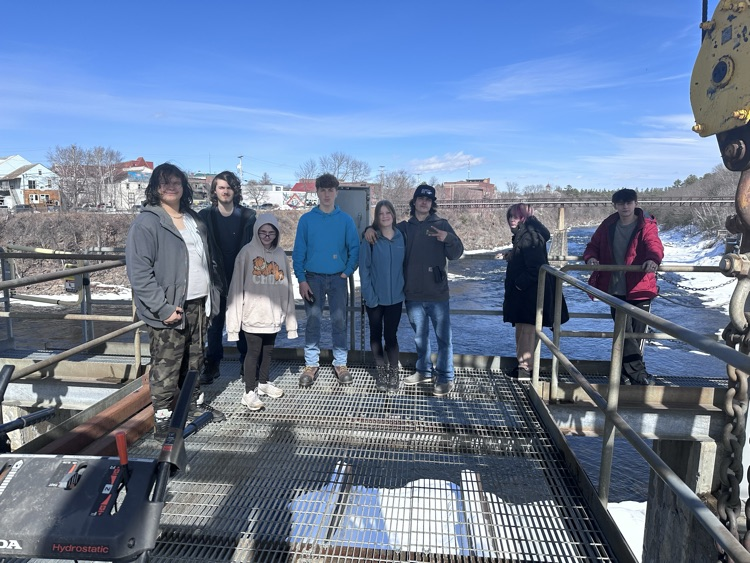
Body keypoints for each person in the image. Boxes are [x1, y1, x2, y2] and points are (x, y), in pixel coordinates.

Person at [126, 163, 225, 441]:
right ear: (155, 188)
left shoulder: (194, 219)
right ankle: (163, 417)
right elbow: (139, 272)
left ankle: (193, 404)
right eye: (164, 183)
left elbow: (208, 260)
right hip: (170, 306)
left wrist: (212, 294)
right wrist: (163, 307)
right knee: (166, 363)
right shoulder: (148, 223)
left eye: (176, 182)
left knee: (195, 359)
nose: (171, 187)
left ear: (184, 186)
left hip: (198, 302)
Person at [364, 184, 464, 397]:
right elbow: (383, 228)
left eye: (428, 199)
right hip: (412, 294)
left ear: (432, 203)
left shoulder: (441, 224)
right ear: (414, 201)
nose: (424, 202)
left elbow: (457, 253)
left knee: (444, 337)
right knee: (420, 337)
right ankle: (423, 370)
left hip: (437, 293)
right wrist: (368, 230)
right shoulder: (404, 228)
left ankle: (445, 376)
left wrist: (448, 238)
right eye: (420, 198)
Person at [583, 188, 664, 385]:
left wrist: (653, 259)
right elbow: (593, 245)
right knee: (625, 333)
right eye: (621, 203)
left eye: (628, 202)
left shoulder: (646, 225)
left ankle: (624, 375)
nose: (625, 207)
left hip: (640, 287)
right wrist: (591, 257)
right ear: (615, 206)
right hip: (615, 288)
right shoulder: (608, 225)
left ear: (635, 203)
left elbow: (654, 245)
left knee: (635, 336)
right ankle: (639, 375)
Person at [292, 173, 359, 387]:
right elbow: (298, 252)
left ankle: (341, 363)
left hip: (338, 279)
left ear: (336, 192)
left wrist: (347, 271)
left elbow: (354, 249)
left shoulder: (346, 220)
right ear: (317, 192)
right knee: (313, 321)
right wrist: (301, 279)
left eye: (331, 190)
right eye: (323, 190)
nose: (327, 194)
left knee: (339, 321)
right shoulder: (306, 220)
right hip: (312, 279)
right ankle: (311, 365)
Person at [226, 213, 298, 411]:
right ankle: (249, 392)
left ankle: (263, 382)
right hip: (252, 314)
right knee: (253, 352)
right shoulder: (246, 253)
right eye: (263, 232)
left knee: (268, 351)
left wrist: (290, 322)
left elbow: (287, 288)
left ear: (276, 234)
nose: (267, 236)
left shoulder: (281, 255)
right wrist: (233, 324)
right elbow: (236, 288)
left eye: (271, 233)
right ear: (257, 232)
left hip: (273, 315)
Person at [198, 171, 256, 384]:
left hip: (241, 279)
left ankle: (245, 363)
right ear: (215, 190)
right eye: (221, 187)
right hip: (215, 279)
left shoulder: (248, 217)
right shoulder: (205, 217)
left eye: (229, 187)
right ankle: (212, 364)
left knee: (243, 324)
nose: (225, 191)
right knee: (214, 325)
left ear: (235, 190)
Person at [502, 203, 569, 380]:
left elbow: (535, 266)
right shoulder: (526, 235)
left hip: (529, 293)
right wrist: (512, 254)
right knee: (523, 329)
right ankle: (523, 367)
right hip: (528, 292)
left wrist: (518, 285)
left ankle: (525, 369)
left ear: (525, 218)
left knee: (526, 330)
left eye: (516, 216)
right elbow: (527, 257)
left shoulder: (529, 237)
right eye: (510, 216)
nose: (512, 220)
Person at [359, 200, 405, 393]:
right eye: (381, 213)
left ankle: (394, 372)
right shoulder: (370, 239)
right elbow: (364, 270)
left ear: (393, 215)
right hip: (375, 299)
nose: (385, 216)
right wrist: (370, 296)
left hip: (396, 298)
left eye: (388, 212)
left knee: (391, 336)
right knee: (376, 336)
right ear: (376, 218)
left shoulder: (402, 236)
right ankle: (381, 372)